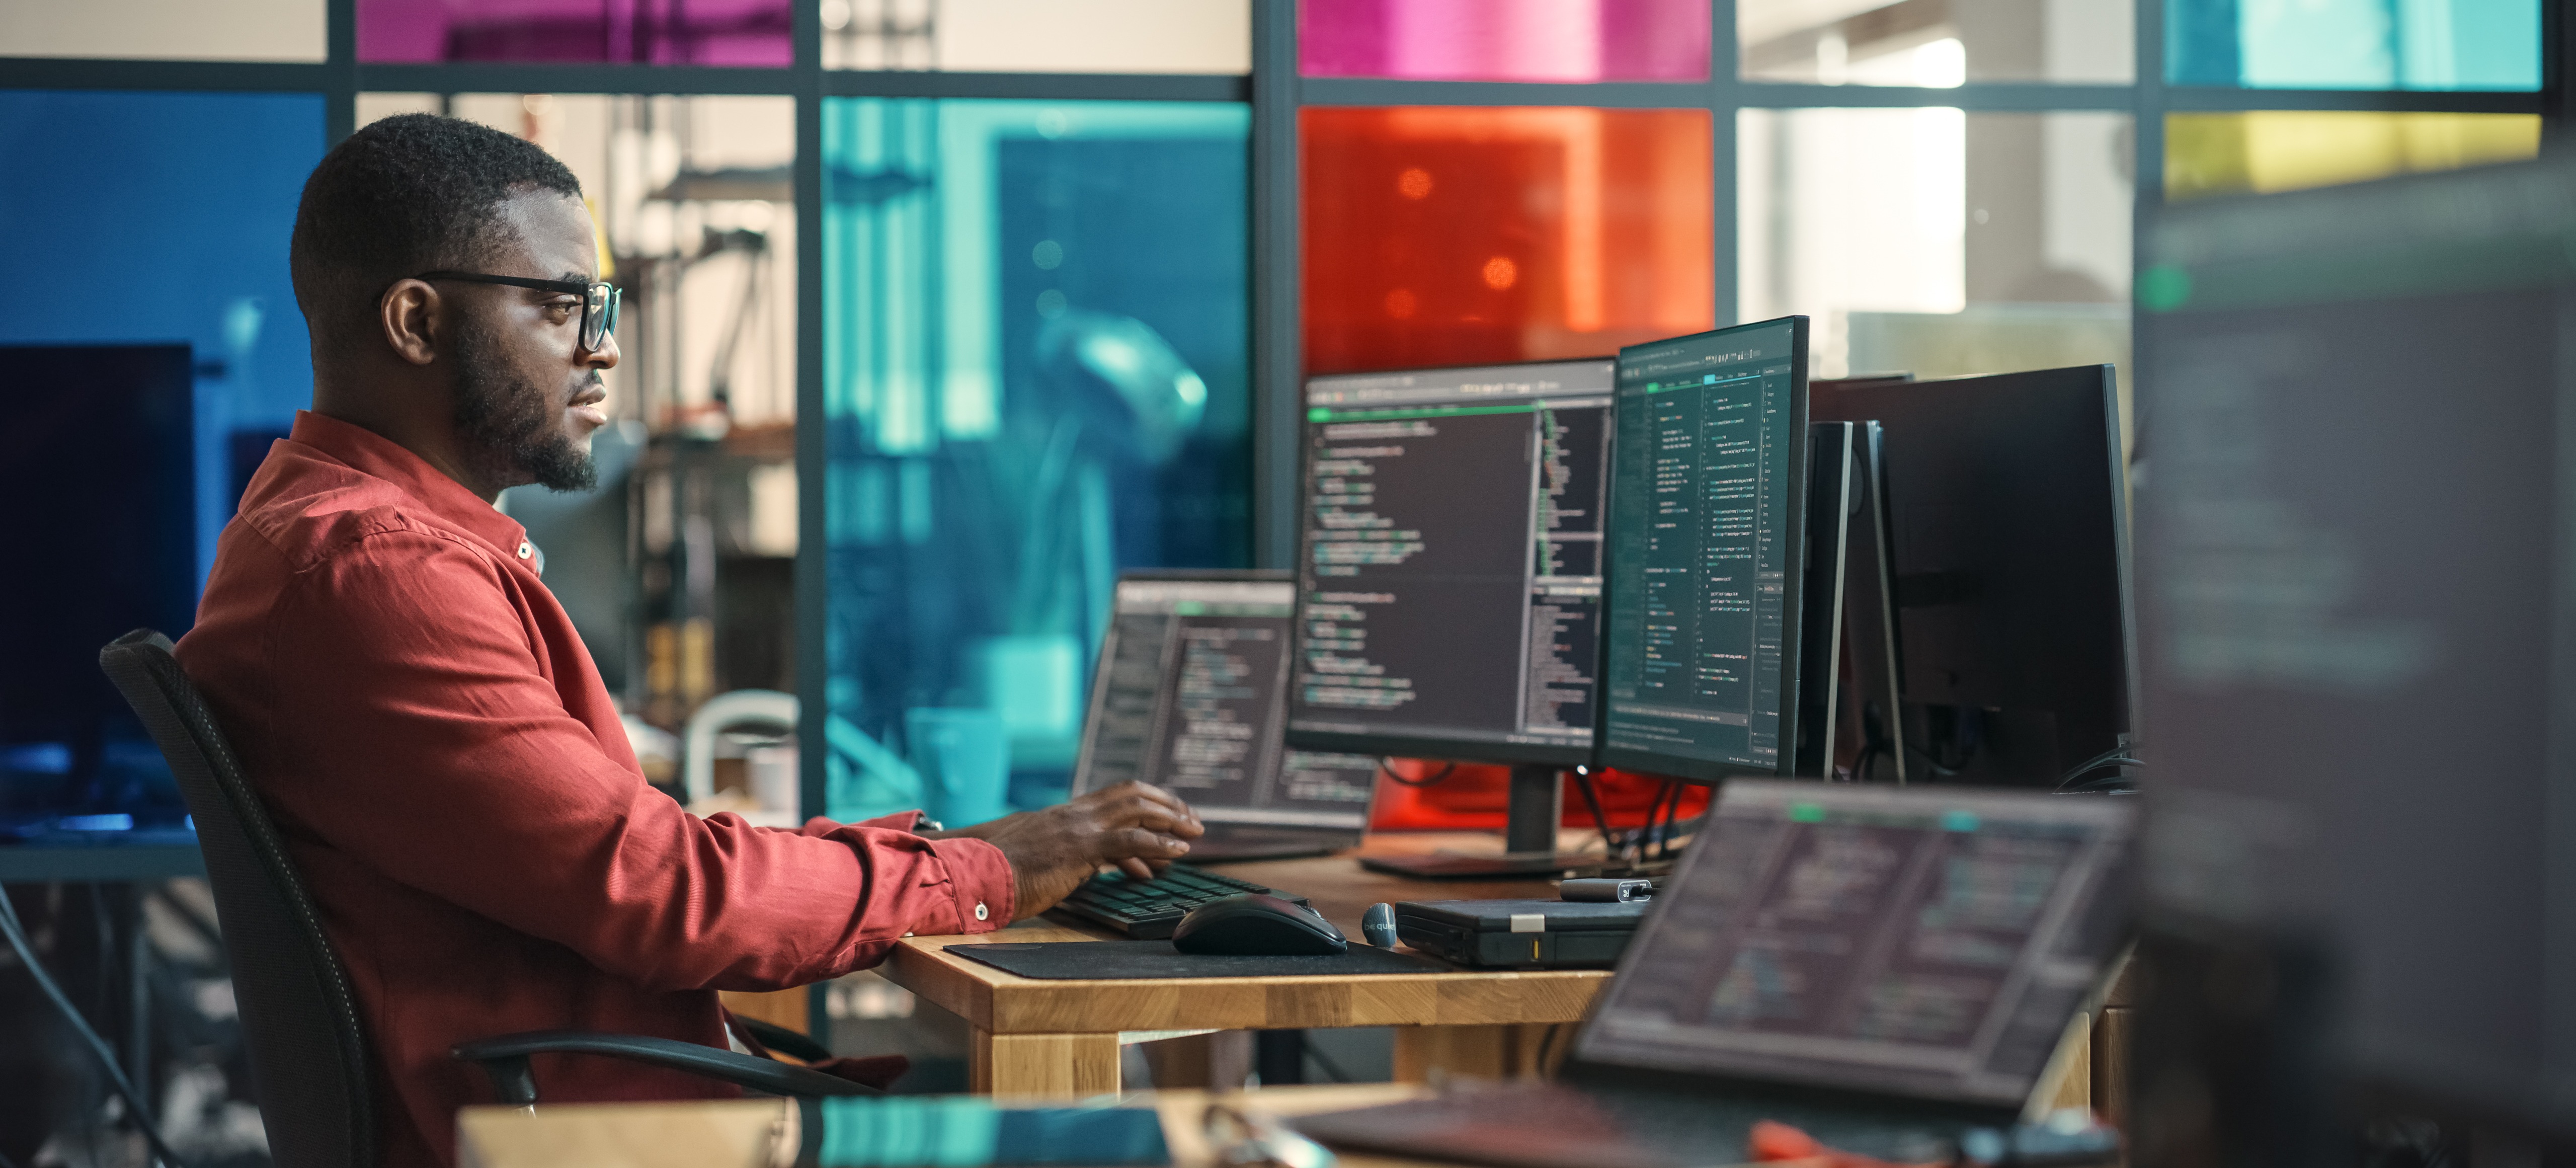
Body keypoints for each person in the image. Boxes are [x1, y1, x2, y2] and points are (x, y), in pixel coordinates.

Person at [176, 113, 1203, 1168]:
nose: (604, 344)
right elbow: (670, 895)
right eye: (562, 305)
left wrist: (948, 855)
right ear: (415, 321)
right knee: (1156, 1146)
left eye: (602, 306)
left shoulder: (327, 532)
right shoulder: (381, 570)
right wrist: (984, 870)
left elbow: (643, 866)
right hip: (585, 1138)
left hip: (589, 1107)